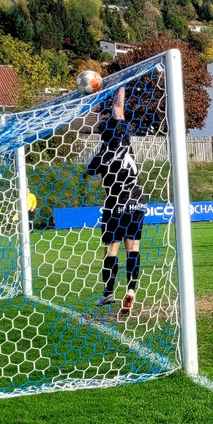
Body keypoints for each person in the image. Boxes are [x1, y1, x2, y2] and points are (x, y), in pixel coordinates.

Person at [88, 87, 145, 312]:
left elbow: (90, 171)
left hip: (114, 204)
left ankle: (109, 292)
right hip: (137, 201)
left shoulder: (102, 155)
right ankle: (131, 290)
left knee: (111, 249)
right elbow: (119, 110)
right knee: (133, 247)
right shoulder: (126, 142)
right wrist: (120, 85)